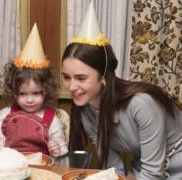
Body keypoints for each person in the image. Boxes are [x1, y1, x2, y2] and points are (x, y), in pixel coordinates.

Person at [61, 2, 182, 179]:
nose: (71, 87)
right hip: (144, 169)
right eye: (66, 77)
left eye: (81, 78)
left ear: (103, 77)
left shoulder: (142, 104)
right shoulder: (86, 111)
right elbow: (113, 168)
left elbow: (152, 173)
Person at [0, 24, 69, 157]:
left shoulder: (52, 119)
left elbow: (63, 149)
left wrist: (57, 148)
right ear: (14, 92)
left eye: (36, 93)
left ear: (46, 91)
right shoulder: (5, 115)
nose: (29, 100)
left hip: (42, 169)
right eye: (23, 94)